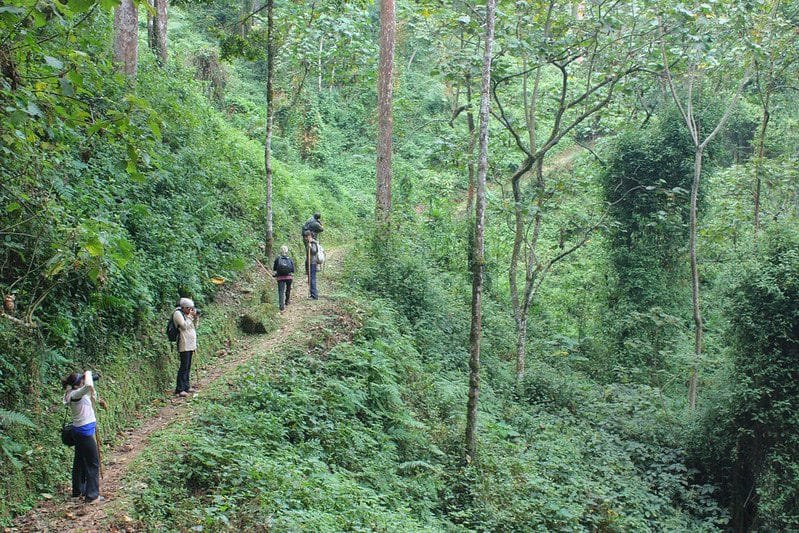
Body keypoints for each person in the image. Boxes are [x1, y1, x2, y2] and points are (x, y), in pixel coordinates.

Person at [62, 370, 106, 504]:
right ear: (77, 384)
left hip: (79, 432)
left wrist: (92, 388)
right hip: (84, 433)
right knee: (93, 463)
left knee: (80, 462)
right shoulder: (75, 394)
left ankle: (77, 492)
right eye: (81, 379)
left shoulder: (74, 393)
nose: (84, 380)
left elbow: (91, 395)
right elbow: (87, 387)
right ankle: (92, 496)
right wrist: (88, 373)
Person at [173, 297, 198, 397]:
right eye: (189, 308)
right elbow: (184, 326)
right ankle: (180, 389)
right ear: (183, 307)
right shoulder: (178, 314)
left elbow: (194, 326)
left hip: (190, 343)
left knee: (188, 366)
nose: (190, 310)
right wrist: (190, 317)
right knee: (184, 366)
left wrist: (195, 318)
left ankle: (186, 386)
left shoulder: (187, 315)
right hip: (184, 343)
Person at [273, 245, 295, 311]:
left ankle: (281, 307)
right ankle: (287, 301)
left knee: (281, 291)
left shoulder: (277, 258)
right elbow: (293, 270)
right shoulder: (290, 258)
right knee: (288, 289)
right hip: (289, 277)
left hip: (280, 278)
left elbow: (274, 268)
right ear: (287, 251)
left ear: (280, 251)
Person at [306, 232, 319, 300]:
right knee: (310, 278)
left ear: (310, 236)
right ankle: (312, 294)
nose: (306, 238)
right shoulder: (311, 242)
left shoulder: (313, 243)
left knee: (312, 279)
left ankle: (314, 295)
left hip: (312, 263)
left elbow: (314, 251)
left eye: (308, 236)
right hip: (310, 263)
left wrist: (310, 247)